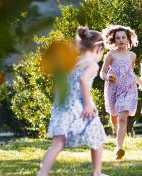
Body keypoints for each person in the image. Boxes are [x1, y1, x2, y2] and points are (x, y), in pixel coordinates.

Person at [38, 27, 107, 176]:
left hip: (62, 104)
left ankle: (42, 173)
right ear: (99, 48)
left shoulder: (73, 62)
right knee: (97, 136)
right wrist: (88, 104)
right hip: (80, 105)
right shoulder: (92, 64)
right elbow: (83, 81)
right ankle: (97, 172)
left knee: (58, 143)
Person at [99, 24, 142, 160]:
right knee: (114, 117)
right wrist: (107, 77)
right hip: (113, 88)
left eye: (123, 37)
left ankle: (119, 147)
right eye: (118, 38)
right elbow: (102, 72)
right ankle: (118, 134)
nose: (121, 40)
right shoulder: (111, 55)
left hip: (128, 89)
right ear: (114, 40)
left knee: (123, 117)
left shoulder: (132, 55)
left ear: (128, 39)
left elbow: (130, 73)